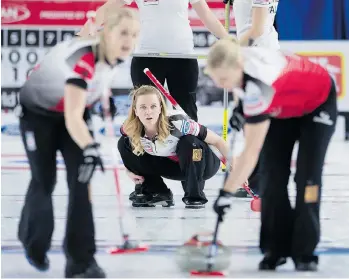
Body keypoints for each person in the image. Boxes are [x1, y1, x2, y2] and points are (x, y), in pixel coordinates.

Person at [17, 8, 139, 278]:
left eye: (134, 35)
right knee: (44, 180)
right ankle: (33, 242)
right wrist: (90, 146)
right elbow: (73, 117)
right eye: (122, 33)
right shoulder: (84, 59)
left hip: (73, 111)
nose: (129, 40)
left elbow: (79, 110)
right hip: (38, 114)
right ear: (106, 34)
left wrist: (89, 148)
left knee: (81, 183)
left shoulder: (112, 58)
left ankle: (81, 262)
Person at [79, 0, 230, 203]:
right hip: (146, 55)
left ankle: (194, 187)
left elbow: (207, 16)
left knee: (188, 124)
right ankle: (153, 188)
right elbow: (109, 9)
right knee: (142, 120)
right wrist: (83, 34)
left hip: (183, 58)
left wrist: (228, 41)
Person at [206, 38, 337, 271]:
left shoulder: (259, 83)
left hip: (317, 104)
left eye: (225, 80)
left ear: (239, 65)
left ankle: (305, 253)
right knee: (271, 178)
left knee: (308, 178)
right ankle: (275, 250)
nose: (223, 86)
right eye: (218, 82)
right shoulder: (236, 60)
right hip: (282, 107)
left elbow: (250, 152)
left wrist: (226, 192)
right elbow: (239, 87)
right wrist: (240, 109)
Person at [118, 85, 228, 208]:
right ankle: (157, 191)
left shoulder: (179, 123)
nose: (148, 112)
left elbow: (218, 141)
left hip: (203, 163)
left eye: (153, 106)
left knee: (189, 142)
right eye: (143, 107)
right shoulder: (129, 127)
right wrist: (129, 171)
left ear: (160, 108)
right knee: (124, 142)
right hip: (173, 166)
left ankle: (195, 196)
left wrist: (235, 168)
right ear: (135, 110)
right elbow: (126, 151)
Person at [225, 0, 280, 197]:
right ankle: (253, 176)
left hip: (259, 57)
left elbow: (256, 30)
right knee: (252, 123)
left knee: (259, 123)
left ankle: (260, 179)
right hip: (253, 56)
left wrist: (229, 53)